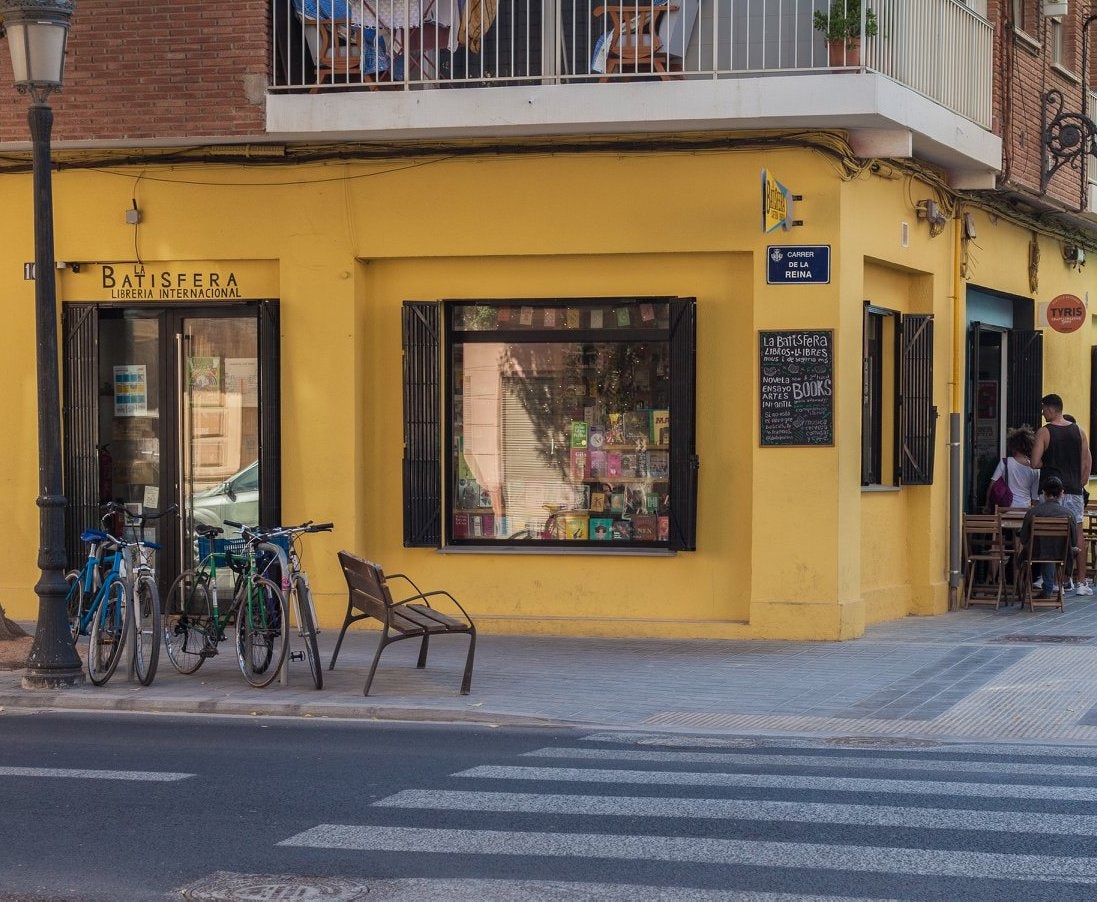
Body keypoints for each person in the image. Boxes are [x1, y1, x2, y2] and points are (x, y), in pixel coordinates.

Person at [1031, 394, 1093, 595]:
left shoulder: (1044, 432)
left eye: (1043, 409)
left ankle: (1054, 581)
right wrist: (1079, 482)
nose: (1042, 413)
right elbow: (1085, 462)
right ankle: (1081, 582)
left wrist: (1048, 464)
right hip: (1074, 489)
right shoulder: (1080, 432)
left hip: (1051, 490)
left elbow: (1034, 462)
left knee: (1050, 533)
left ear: (1050, 409)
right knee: (1077, 531)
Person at [1019, 476, 1079, 599]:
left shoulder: (1033, 512)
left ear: (1044, 493)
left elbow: (1023, 539)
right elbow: (1073, 541)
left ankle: (1034, 589)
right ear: (1062, 493)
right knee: (1065, 549)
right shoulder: (1069, 514)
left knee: (1042, 549)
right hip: (1061, 554)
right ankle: (1056, 586)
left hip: (1035, 554)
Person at [985, 425, 1040, 511]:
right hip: (1026, 509)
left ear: (1012, 445)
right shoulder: (1035, 468)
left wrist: (987, 505)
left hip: (1006, 508)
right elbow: (1035, 495)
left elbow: (992, 485)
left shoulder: (1005, 462)